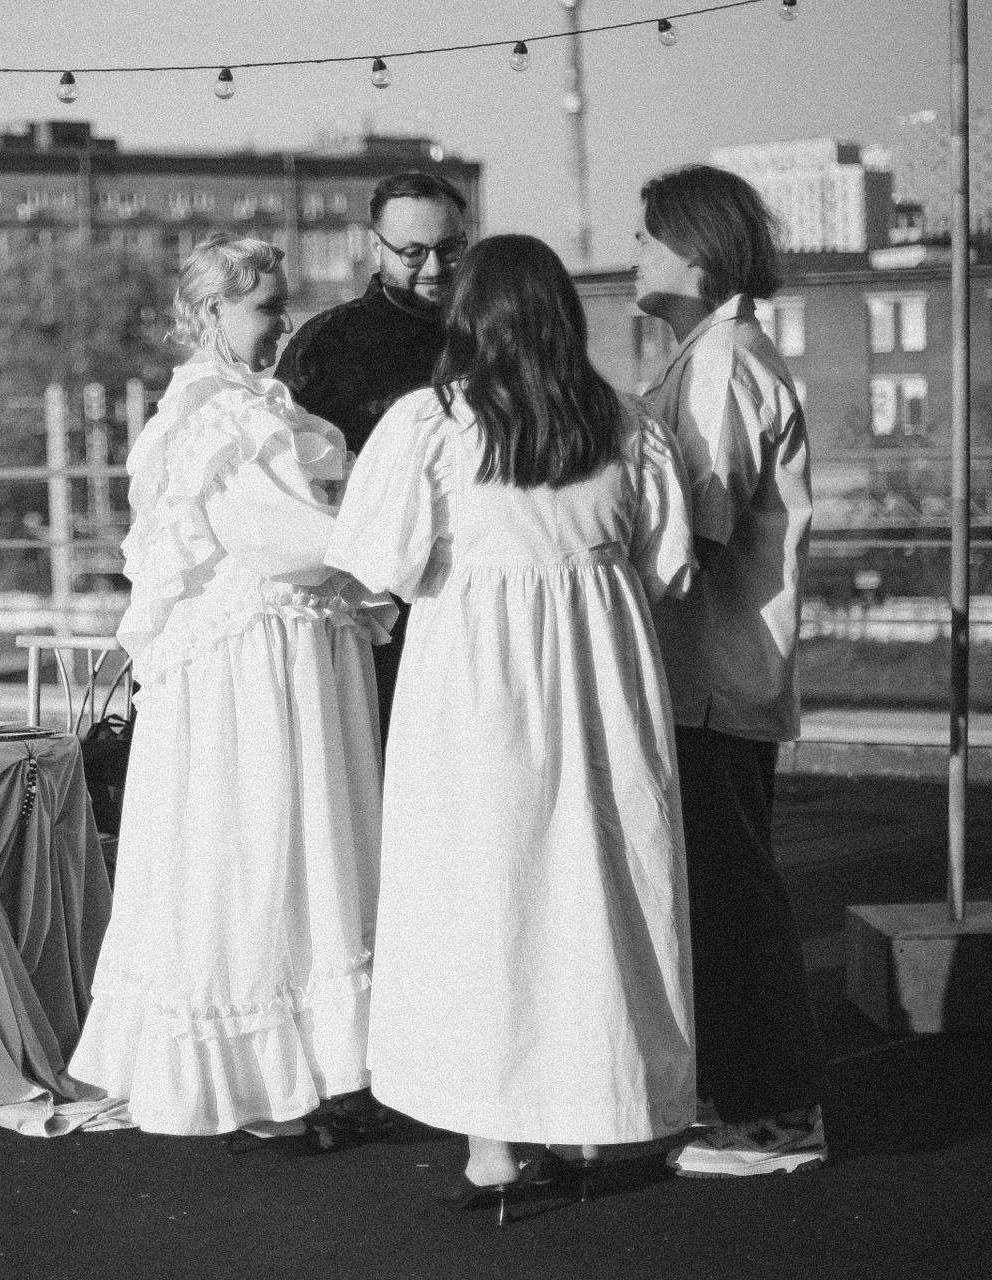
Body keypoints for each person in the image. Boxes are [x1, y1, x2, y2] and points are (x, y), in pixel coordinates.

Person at [327, 234, 699, 1214]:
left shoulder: (431, 425)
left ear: (471, 321)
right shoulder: (626, 425)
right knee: (596, 887)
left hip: (473, 688)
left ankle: (492, 1146)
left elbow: (377, 561)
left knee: (480, 896)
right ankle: (592, 1114)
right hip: (602, 685)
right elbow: (667, 565)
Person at [67, 234, 393, 1149]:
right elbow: (283, 537)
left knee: (291, 847)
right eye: (265, 307)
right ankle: (257, 1078)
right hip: (251, 669)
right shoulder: (217, 416)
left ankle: (309, 1069)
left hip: (283, 654)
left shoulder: (252, 405)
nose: (283, 323)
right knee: (256, 845)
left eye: (283, 304)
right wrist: (390, 529)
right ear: (211, 312)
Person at [632, 164, 829, 1179]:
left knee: (732, 895)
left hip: (714, 675)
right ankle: (744, 1101)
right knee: (720, 890)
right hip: (711, 675)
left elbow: (693, 529)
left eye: (648, 237)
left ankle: (774, 1118)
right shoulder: (708, 356)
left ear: (696, 250)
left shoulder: (723, 364)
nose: (635, 253)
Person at [276, 171, 469, 739]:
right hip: (370, 608)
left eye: (450, 249)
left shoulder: (493, 335)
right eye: (412, 253)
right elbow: (293, 489)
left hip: (474, 596)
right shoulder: (328, 344)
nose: (434, 268)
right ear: (374, 246)